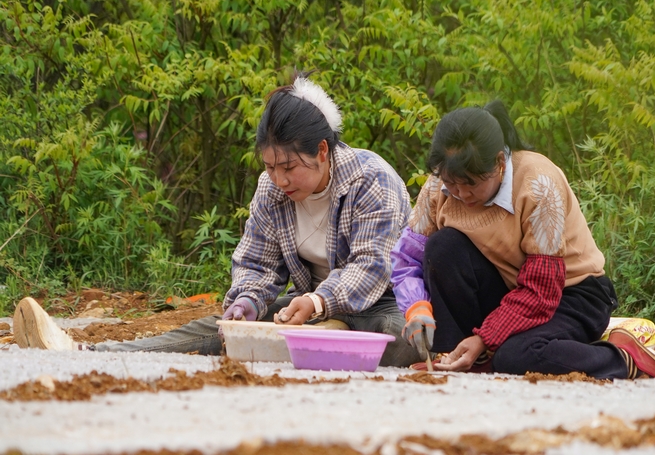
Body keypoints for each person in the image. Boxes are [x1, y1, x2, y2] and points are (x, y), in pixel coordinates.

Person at [13, 73, 419, 367]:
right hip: (308, 309)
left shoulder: (372, 180)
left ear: (324, 152)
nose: (279, 179)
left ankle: (327, 336)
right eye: (270, 166)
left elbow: (371, 266)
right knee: (221, 327)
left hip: (376, 305)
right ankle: (86, 352)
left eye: (290, 167)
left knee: (404, 338)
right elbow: (257, 264)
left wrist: (317, 302)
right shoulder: (271, 188)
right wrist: (245, 301)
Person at [390, 101, 655, 379]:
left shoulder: (538, 184)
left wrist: (484, 337)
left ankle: (623, 357)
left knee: (517, 357)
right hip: (510, 291)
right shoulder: (438, 187)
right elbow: (408, 259)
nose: (462, 194)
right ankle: (462, 355)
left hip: (570, 296)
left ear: (499, 162)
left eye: (471, 183)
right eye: (452, 183)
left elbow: (541, 291)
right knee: (444, 246)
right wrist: (417, 307)